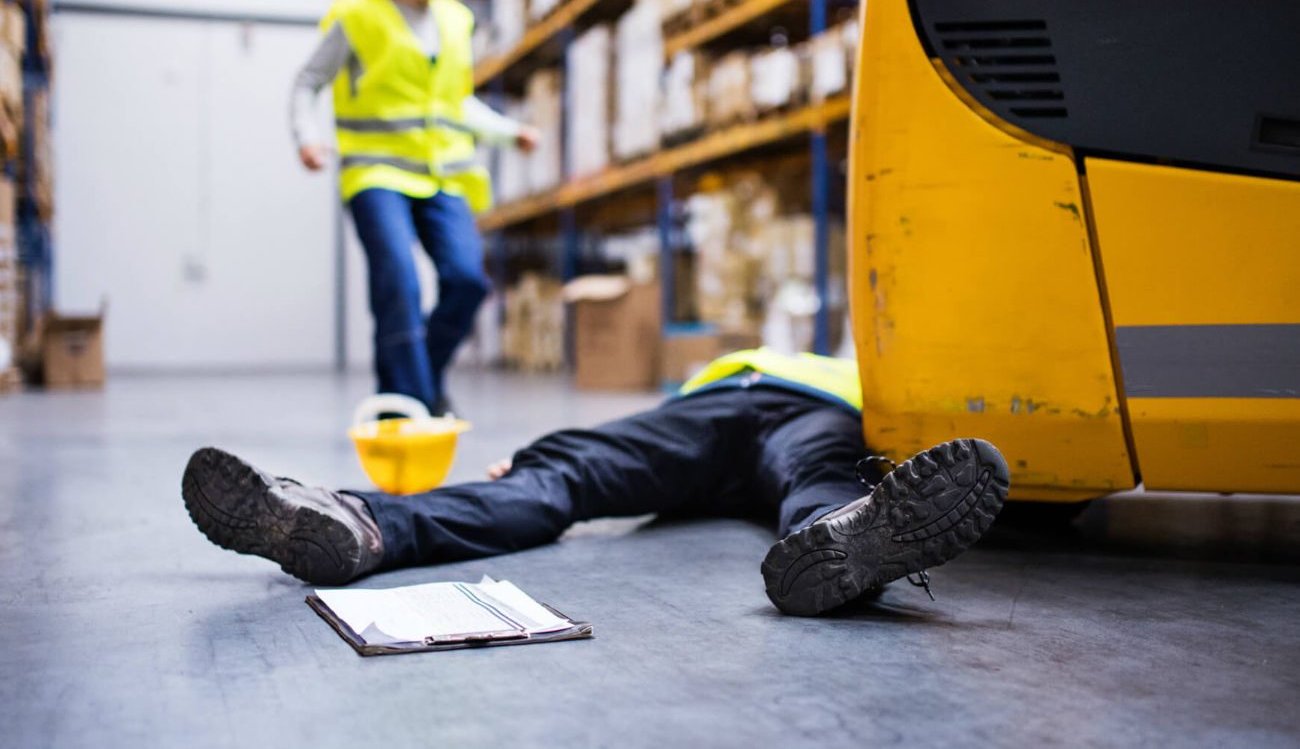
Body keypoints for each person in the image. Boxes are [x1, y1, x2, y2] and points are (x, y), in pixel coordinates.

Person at [182, 349, 1011, 616]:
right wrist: (541, 452)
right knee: (562, 471)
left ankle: (851, 541)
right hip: (723, 412)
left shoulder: (873, 355)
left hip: (807, 414)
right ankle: (350, 523)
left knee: (818, 478)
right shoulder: (759, 363)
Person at [290, 0, 538, 416]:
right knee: (399, 280)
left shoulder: (455, 21)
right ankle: (416, 404)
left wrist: (508, 132)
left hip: (442, 173)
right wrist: (306, 137)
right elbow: (308, 82)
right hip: (375, 172)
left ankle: (410, 386)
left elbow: (456, 103)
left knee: (468, 281)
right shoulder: (358, 16)